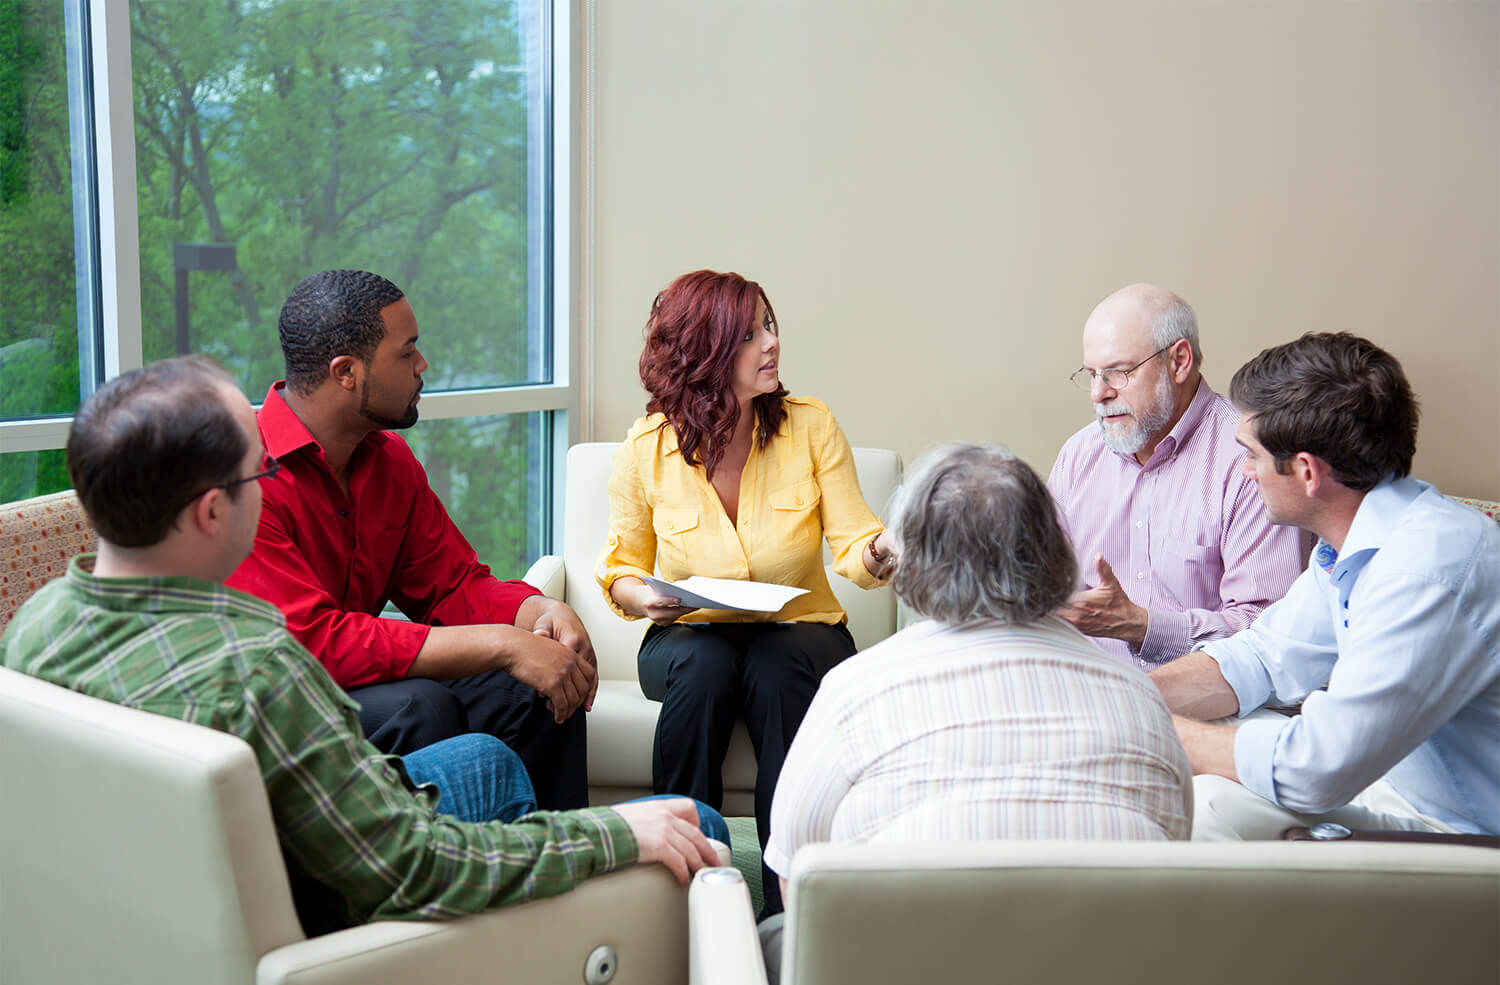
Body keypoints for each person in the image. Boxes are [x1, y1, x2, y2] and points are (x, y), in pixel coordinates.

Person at [0, 356, 722, 934]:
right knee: (697, 825)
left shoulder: (36, 626)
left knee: (486, 759)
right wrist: (617, 834)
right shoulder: (261, 670)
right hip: (331, 914)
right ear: (212, 510)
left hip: (162, 897)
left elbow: (448, 577)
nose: (271, 483)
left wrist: (524, 611)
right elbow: (416, 868)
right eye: (262, 471)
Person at [758, 443, 1192, 982]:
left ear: (910, 558)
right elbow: (1175, 858)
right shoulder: (1139, 696)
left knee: (771, 938)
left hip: (901, 964)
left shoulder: (853, 691)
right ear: (1054, 552)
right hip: (1096, 965)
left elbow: (795, 875)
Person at [225, 270, 595, 809]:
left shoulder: (389, 460)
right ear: (346, 372)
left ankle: (556, 869)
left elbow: (450, 586)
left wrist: (534, 612)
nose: (423, 366)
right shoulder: (247, 480)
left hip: (357, 680)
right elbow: (312, 644)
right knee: (418, 706)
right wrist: (500, 643)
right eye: (408, 353)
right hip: (276, 704)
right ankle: (438, 880)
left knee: (534, 685)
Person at [596, 269, 895, 916]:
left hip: (800, 633)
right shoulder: (644, 449)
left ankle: (789, 903)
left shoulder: (811, 426)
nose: (772, 343)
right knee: (705, 666)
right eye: (750, 333)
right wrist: (646, 598)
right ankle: (678, 892)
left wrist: (882, 551)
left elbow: (854, 540)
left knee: (775, 664)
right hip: (687, 634)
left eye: (771, 325)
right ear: (704, 350)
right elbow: (620, 567)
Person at [1152, 332, 1499, 839]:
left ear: (1307, 472)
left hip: (1462, 832)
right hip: (1388, 784)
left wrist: (1155, 732)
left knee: (1206, 801)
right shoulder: (1352, 545)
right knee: (1210, 740)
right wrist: (1123, 698)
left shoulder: (1427, 571)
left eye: (1250, 455)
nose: (1245, 473)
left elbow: (1313, 772)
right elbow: (1263, 658)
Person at [1047, 283, 1308, 669]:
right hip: (1093, 698)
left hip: (1216, 709)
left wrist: (1141, 626)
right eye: (1092, 375)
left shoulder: (1252, 458)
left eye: (1118, 373)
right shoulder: (1078, 455)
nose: (1098, 394)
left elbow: (1267, 636)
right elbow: (1044, 586)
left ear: (1180, 361)